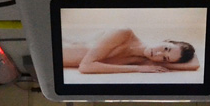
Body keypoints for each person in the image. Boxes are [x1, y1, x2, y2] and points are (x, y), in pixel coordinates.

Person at [61, 29, 198, 74]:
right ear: (166, 40)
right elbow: (85, 67)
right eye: (165, 48)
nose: (158, 54)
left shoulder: (145, 61)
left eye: (164, 58)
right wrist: (137, 69)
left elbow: (194, 65)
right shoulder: (124, 33)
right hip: (56, 47)